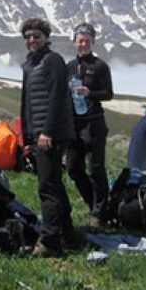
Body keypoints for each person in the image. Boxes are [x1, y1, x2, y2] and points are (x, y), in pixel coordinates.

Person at [19, 18, 76, 257]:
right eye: (28, 37)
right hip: (38, 134)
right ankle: (67, 233)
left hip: (51, 134)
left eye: (36, 36)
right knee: (54, 183)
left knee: (47, 186)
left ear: (46, 37)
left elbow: (57, 98)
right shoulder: (31, 64)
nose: (32, 40)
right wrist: (26, 135)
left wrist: (47, 132)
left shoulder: (52, 61)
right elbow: (28, 103)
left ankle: (51, 241)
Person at [64, 23, 113, 229]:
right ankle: (94, 203)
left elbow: (109, 93)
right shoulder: (69, 67)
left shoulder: (100, 66)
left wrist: (89, 93)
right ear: (74, 42)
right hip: (74, 123)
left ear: (92, 42)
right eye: (79, 40)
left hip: (94, 122)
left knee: (96, 168)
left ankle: (98, 214)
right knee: (74, 168)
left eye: (86, 40)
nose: (82, 44)